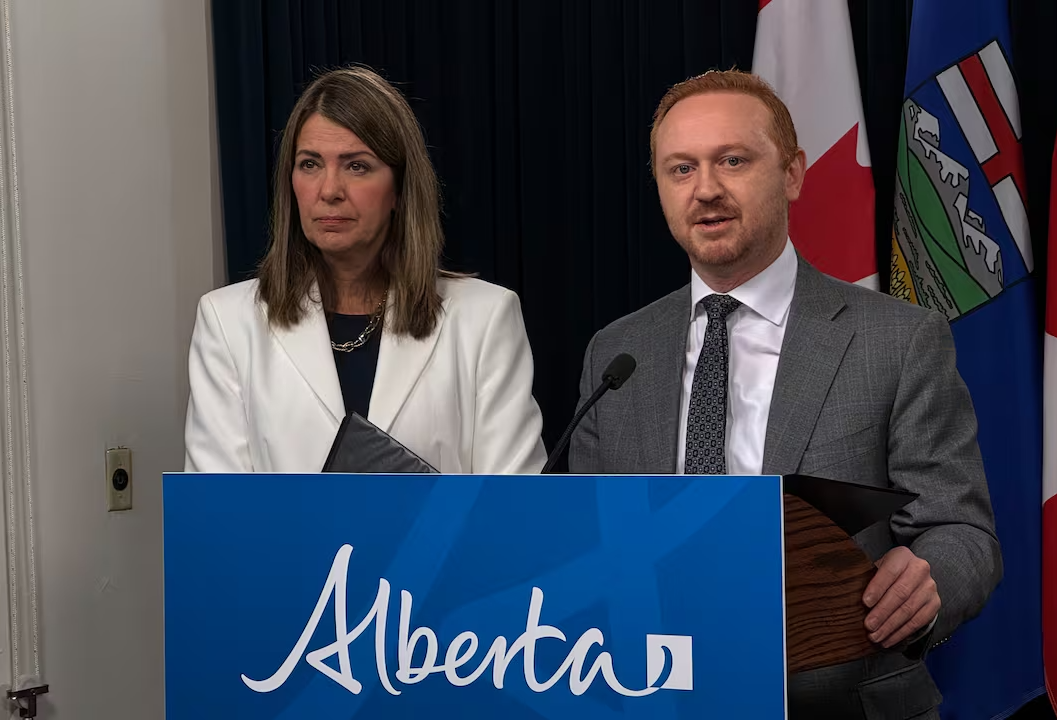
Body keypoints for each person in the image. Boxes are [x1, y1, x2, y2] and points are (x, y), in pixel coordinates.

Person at [568, 69, 1001, 718]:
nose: (706, 189)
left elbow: (960, 529)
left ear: (793, 173)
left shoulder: (898, 340)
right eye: (681, 169)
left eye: (732, 161)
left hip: (840, 702)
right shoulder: (617, 352)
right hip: (655, 697)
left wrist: (927, 581)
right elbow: (589, 538)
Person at [184, 66, 547, 475]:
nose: (329, 190)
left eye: (356, 166)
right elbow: (216, 505)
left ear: (400, 188)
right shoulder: (227, 322)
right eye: (310, 164)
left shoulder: (485, 318)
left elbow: (514, 503)